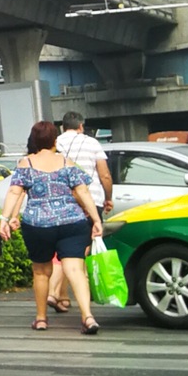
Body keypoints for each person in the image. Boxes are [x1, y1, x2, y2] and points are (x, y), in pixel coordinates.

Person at [0, 119, 106, 334]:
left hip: (38, 225)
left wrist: (5, 218)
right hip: (72, 221)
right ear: (54, 140)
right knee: (75, 269)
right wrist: (96, 220)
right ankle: (88, 316)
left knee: (41, 271)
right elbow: (83, 192)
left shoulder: (25, 163)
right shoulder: (67, 163)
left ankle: (40, 318)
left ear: (34, 140)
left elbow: (14, 192)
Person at [49, 111, 112, 313]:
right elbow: (104, 174)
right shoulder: (92, 143)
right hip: (90, 200)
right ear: (81, 126)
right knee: (77, 252)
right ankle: (54, 292)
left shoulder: (54, 144)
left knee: (63, 248)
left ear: (62, 127)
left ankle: (62, 296)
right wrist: (108, 196)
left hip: (60, 202)